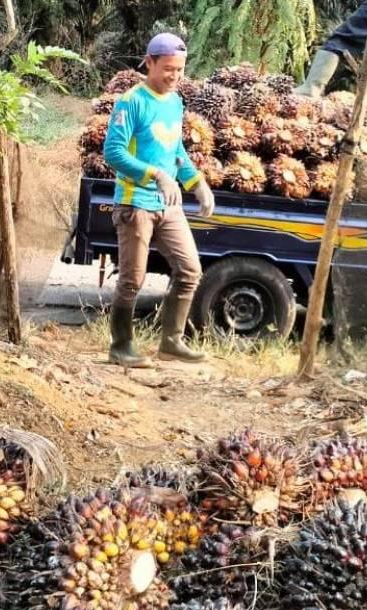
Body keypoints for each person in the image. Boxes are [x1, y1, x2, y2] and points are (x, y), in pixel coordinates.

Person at [103, 32, 215, 368]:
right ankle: (121, 347)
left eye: (179, 70)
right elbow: (113, 152)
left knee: (190, 270)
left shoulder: (175, 103)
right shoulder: (131, 101)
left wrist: (198, 184)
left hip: (169, 205)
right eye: (167, 69)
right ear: (149, 62)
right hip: (135, 203)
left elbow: (176, 150)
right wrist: (156, 175)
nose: (174, 77)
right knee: (132, 280)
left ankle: (171, 342)